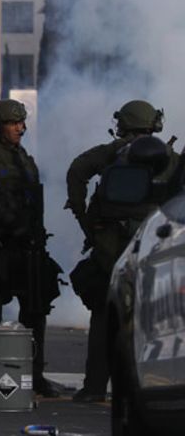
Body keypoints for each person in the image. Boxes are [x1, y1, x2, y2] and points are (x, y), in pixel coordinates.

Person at [65, 100, 178, 402]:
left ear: (123, 125)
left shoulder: (112, 153)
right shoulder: (168, 157)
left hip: (110, 248)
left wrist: (86, 223)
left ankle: (94, 388)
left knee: (103, 316)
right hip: (153, 247)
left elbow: (77, 171)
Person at [0, 98, 63, 398]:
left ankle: (35, 376)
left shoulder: (23, 158)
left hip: (26, 248)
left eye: (21, 122)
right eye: (13, 122)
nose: (20, 127)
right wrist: (4, 224)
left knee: (35, 311)